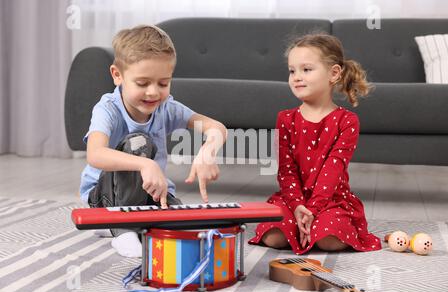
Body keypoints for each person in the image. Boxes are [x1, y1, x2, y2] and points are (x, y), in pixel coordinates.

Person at [79, 25, 227, 258]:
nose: (153, 92)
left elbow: (215, 127)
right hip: (104, 199)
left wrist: (209, 149)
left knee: (185, 220)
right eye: (142, 83)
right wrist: (146, 164)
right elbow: (95, 154)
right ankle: (122, 227)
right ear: (117, 75)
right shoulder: (107, 109)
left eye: (163, 83)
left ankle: (144, 221)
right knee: (139, 142)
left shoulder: (166, 108)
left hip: (152, 194)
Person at [249, 33, 381, 254]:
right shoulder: (286, 119)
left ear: (334, 74)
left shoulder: (347, 121)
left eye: (306, 69)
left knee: (328, 240)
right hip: (293, 198)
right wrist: (298, 205)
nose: (296, 77)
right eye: (292, 71)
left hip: (330, 199)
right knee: (274, 237)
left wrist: (313, 209)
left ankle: (314, 225)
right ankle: (300, 222)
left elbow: (333, 170)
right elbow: (286, 170)